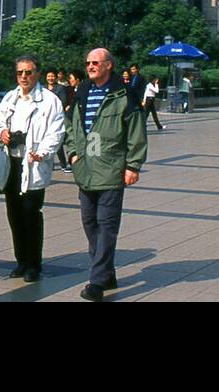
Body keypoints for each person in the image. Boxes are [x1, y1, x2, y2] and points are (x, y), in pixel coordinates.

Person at [67, 48, 147, 301]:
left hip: (111, 171)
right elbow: (72, 127)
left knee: (106, 226)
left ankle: (97, 282)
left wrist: (133, 166)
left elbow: (136, 131)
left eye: (95, 63)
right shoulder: (82, 92)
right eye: (88, 62)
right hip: (85, 171)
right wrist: (72, 154)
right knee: (90, 224)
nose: (90, 66)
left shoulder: (123, 94)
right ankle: (107, 272)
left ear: (108, 65)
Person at [0, 55, 65, 281]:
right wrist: (2, 132)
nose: (24, 76)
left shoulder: (50, 101)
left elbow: (57, 132)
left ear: (38, 74)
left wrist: (42, 152)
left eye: (28, 72)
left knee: (31, 213)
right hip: (12, 161)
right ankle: (21, 261)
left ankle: (34, 263)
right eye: (20, 72)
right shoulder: (10, 98)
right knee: (13, 213)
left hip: (33, 162)